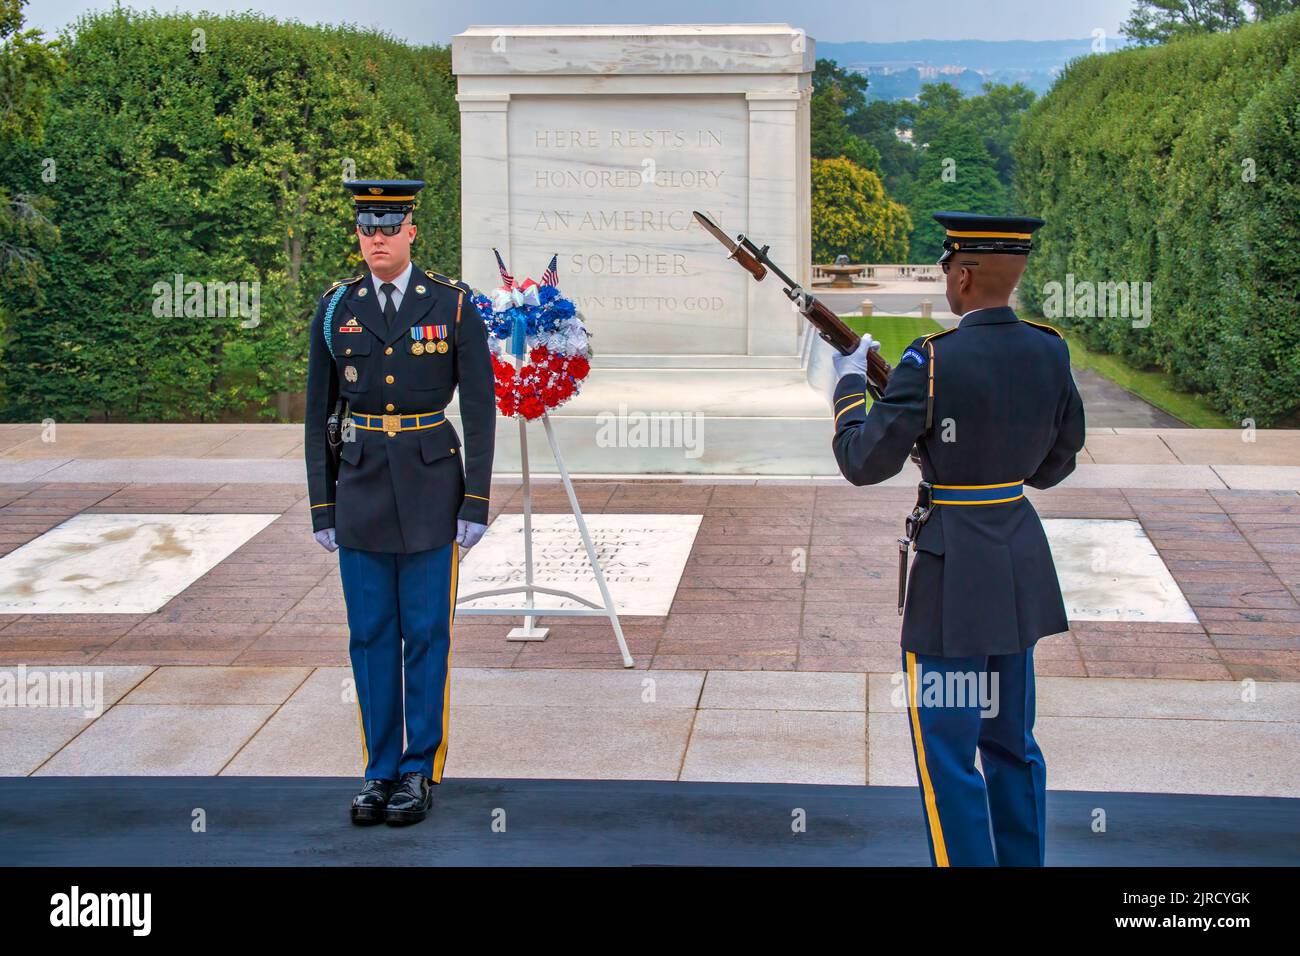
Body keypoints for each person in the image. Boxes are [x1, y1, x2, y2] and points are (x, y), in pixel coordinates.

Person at [827, 212, 1085, 866]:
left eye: (947, 270)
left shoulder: (930, 359)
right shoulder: (1049, 349)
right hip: (1017, 563)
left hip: (952, 577)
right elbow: (1056, 465)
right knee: (1011, 744)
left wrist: (850, 385)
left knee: (947, 750)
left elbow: (862, 462)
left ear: (963, 275)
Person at [304, 179, 495, 826]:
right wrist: (321, 508)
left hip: (430, 489)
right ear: (358, 235)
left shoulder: (452, 304)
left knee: (426, 635)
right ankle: (378, 769)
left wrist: (474, 502)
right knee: (370, 635)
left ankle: (419, 769)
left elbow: (479, 409)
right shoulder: (336, 308)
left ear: (412, 230)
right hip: (358, 490)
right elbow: (317, 417)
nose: (378, 239)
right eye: (367, 228)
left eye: (390, 227)